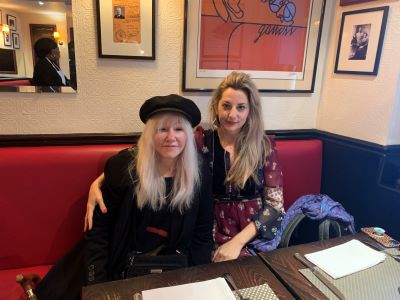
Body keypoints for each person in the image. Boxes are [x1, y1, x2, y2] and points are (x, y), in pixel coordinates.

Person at [17, 94, 214, 300]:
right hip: (118, 267)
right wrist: (98, 286)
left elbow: (202, 233)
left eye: (179, 129)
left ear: (188, 134)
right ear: (150, 134)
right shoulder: (122, 167)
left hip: (171, 270)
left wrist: (198, 280)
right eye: (162, 129)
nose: (171, 137)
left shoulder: (200, 172)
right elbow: (98, 233)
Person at [85, 71, 284, 262]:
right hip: (210, 232)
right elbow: (150, 150)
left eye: (241, 107)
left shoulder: (264, 146)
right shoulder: (201, 141)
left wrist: (238, 242)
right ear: (216, 107)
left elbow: (275, 205)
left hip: (254, 232)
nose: (233, 114)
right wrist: (101, 180)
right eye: (226, 106)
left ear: (251, 111)